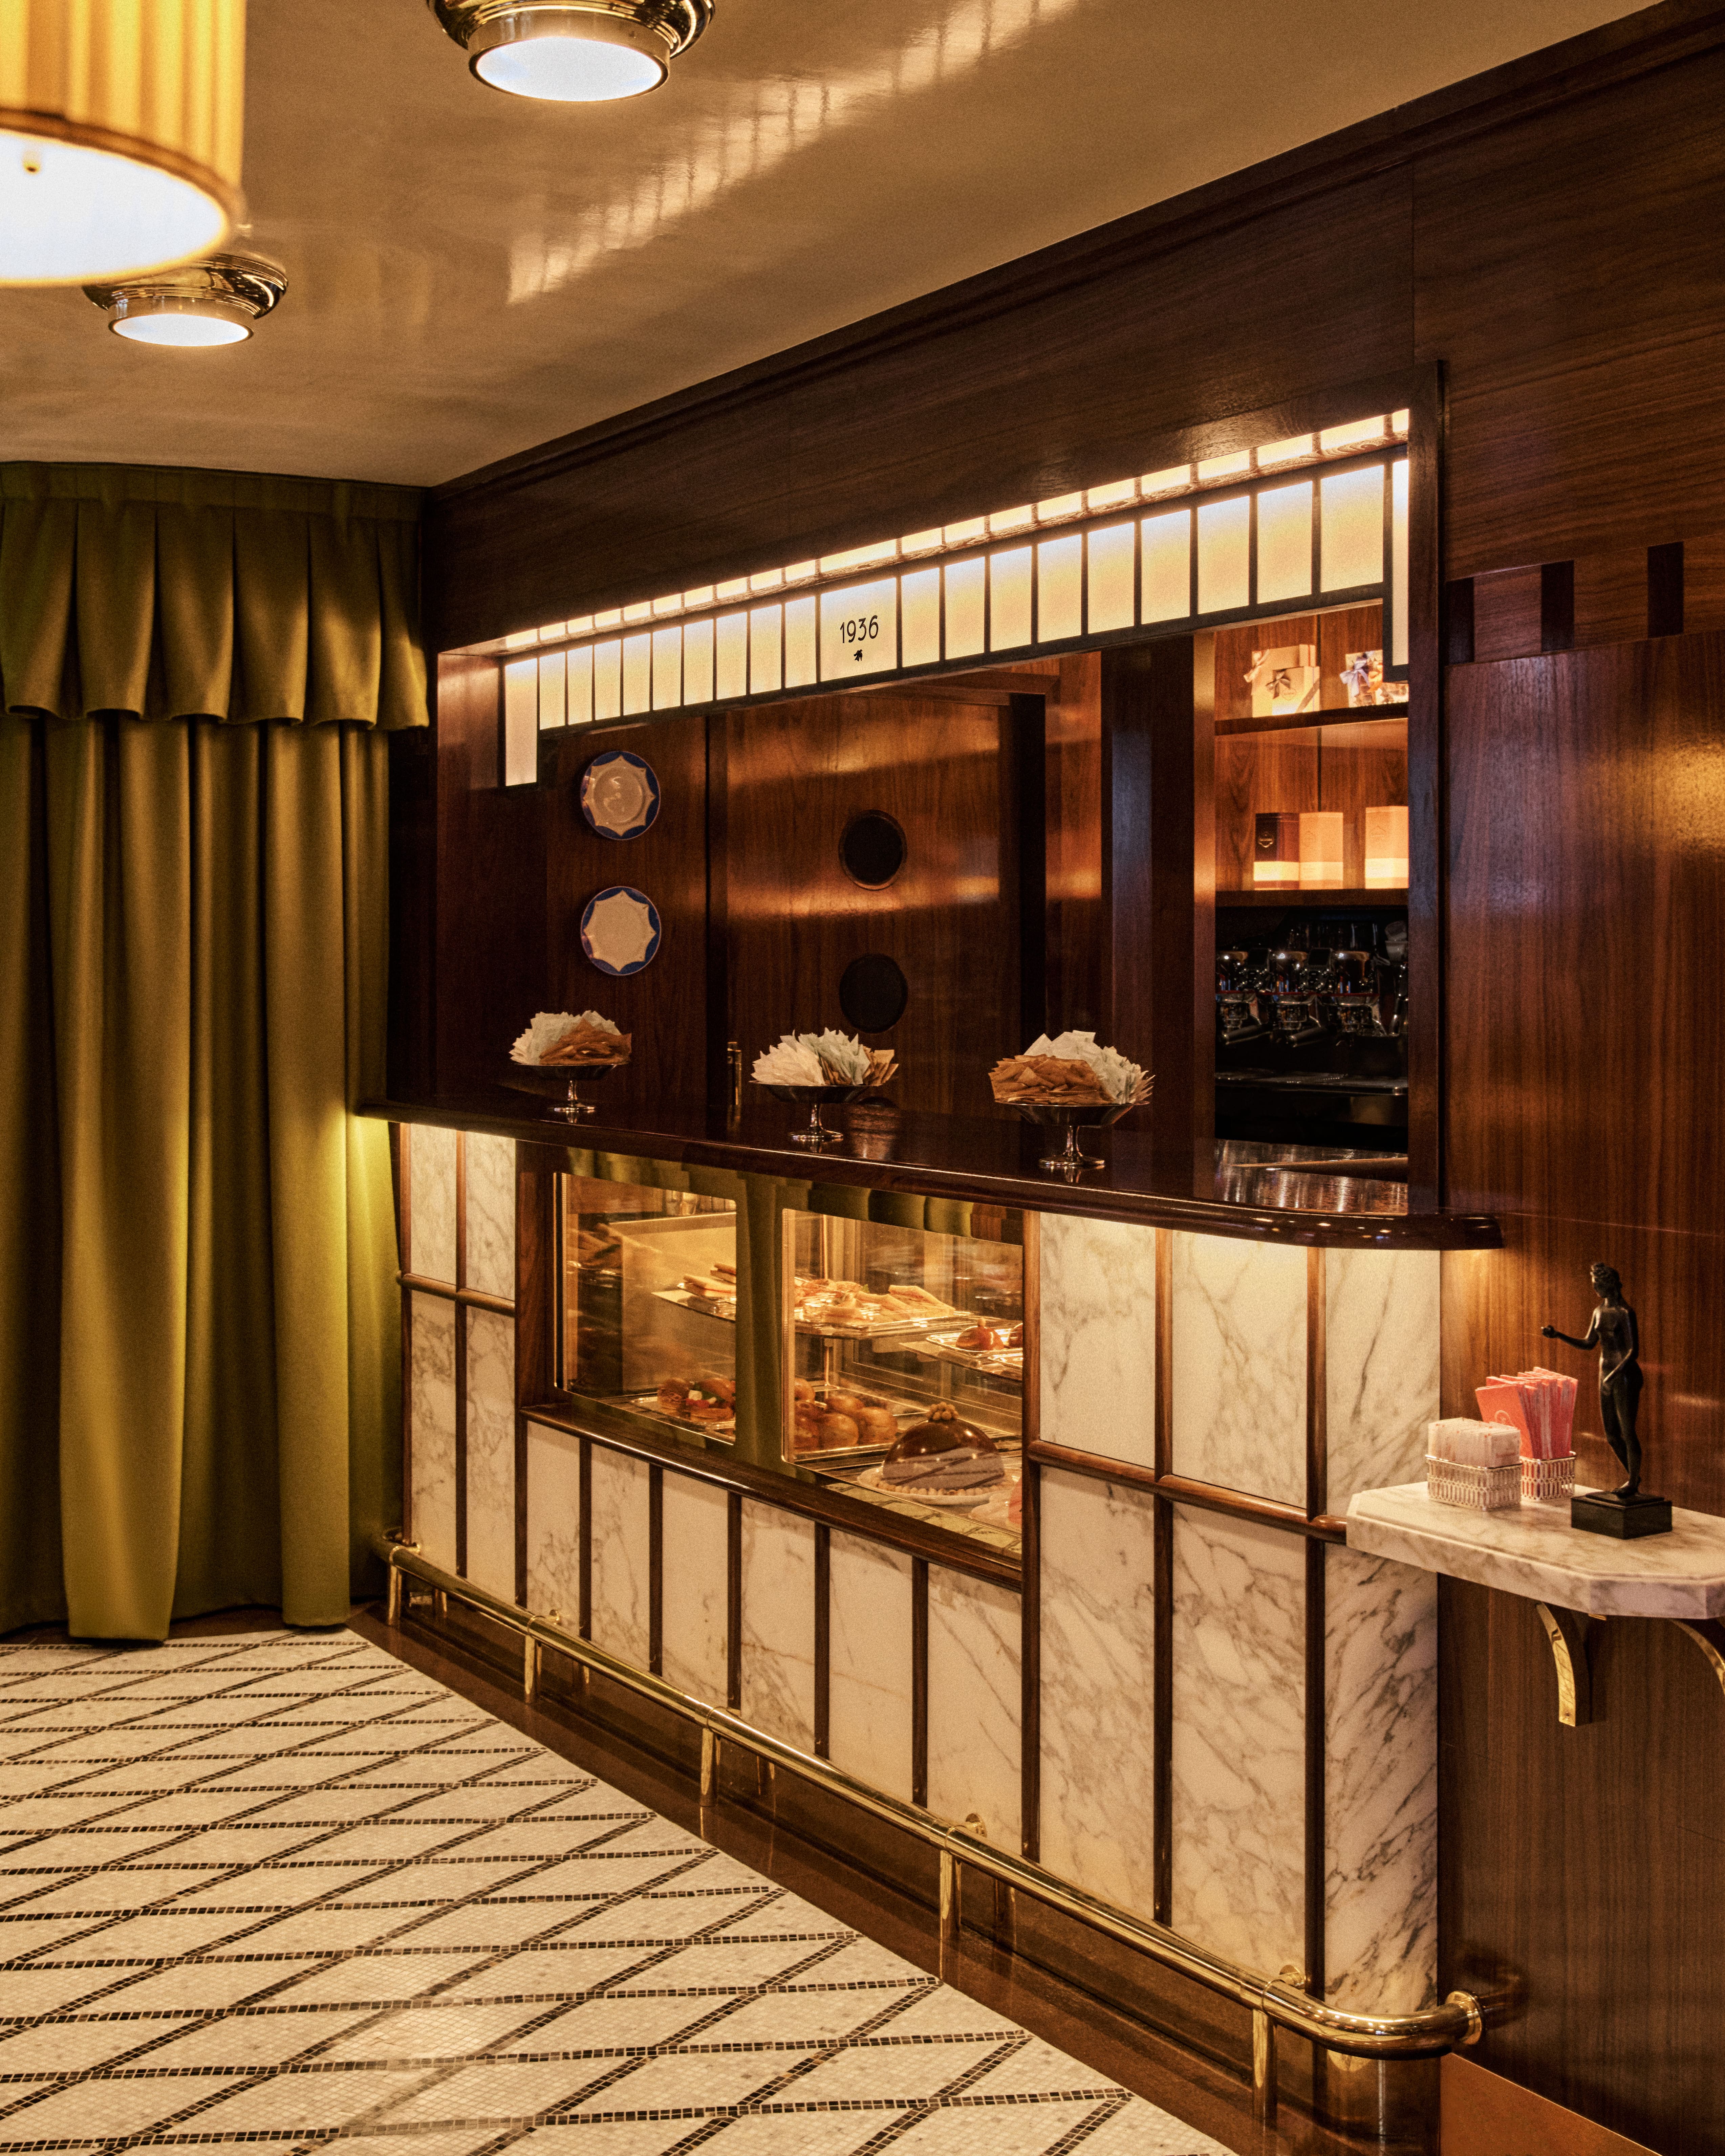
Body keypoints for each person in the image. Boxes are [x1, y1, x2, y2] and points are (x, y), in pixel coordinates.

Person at [1542, 1263, 1643, 1498]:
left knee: (1628, 1432)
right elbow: (1589, 1343)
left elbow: (1632, 1351)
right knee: (1610, 1435)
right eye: (1594, 1284)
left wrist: (1613, 1375)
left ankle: (1632, 1482)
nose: (1596, 1288)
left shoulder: (1625, 1313)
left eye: (1598, 1284)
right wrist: (1558, 1335)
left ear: (1609, 1284)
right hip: (1605, 1372)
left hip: (1624, 1375)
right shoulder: (1598, 1311)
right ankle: (1633, 1477)